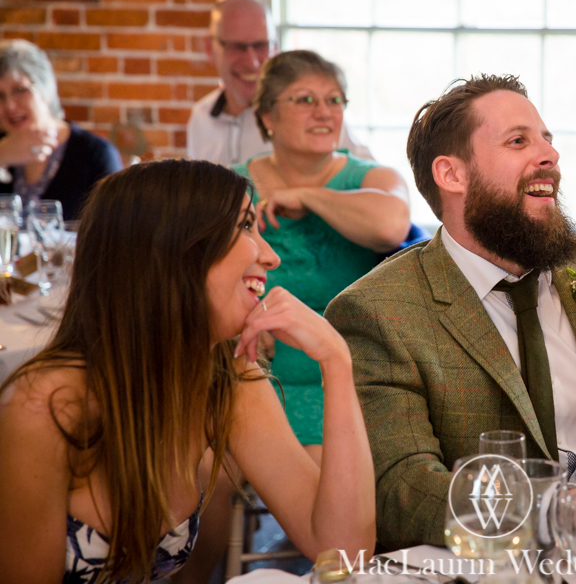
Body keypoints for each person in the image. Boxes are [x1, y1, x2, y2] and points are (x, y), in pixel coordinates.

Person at [324, 74, 576, 549]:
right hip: (484, 564)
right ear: (452, 175)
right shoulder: (378, 312)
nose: (549, 155)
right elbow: (403, 490)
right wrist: (553, 516)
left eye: (547, 139)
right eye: (518, 141)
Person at [0, 160, 375, 582]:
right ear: (173, 251)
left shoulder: (227, 377)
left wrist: (337, 362)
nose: (270, 257)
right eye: (246, 226)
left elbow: (343, 552)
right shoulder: (47, 406)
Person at [234, 49, 411, 449]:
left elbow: (390, 226)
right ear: (267, 117)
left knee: (318, 479)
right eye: (305, 100)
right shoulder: (231, 186)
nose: (324, 112)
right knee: (202, 464)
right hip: (252, 365)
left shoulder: (374, 177)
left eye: (334, 100)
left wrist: (309, 196)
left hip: (346, 374)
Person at [187, 0, 373, 166]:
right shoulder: (200, 118)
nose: (251, 62)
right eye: (237, 47)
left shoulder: (301, 113)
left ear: (275, 47)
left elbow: (370, 176)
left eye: (261, 46)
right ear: (210, 48)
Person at [0, 39, 123, 221]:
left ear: (46, 90)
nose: (9, 105)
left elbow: (115, 234)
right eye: (0, 95)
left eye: (20, 90)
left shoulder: (95, 154)